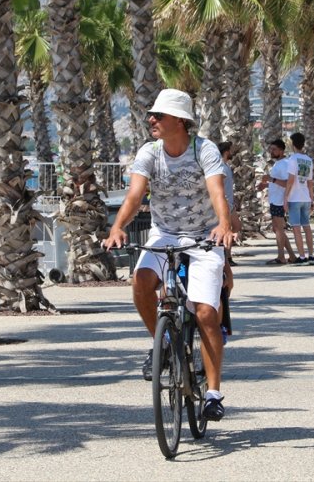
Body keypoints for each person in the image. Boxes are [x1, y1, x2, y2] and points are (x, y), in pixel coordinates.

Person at [103, 88, 234, 422]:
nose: (152, 120)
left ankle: (213, 393)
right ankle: (160, 344)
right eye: (152, 115)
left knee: (205, 312)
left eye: (159, 115)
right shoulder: (150, 152)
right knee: (142, 280)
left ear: (180, 120)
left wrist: (222, 225)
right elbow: (135, 195)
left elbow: (218, 192)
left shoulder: (204, 150)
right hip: (165, 233)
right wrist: (118, 226)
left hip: (205, 235)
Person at [257, 139, 298, 265]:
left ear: (281, 150)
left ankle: (281, 257)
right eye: (270, 149)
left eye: (274, 149)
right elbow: (278, 182)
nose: (271, 152)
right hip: (275, 200)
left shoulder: (285, 163)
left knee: (279, 229)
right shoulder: (278, 163)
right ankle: (291, 256)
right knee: (277, 229)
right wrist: (266, 185)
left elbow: (287, 183)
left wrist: (271, 179)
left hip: (280, 201)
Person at [285, 132, 314, 265]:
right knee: (307, 226)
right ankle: (311, 255)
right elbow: (310, 182)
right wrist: (312, 198)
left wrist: (285, 198)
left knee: (296, 227)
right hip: (305, 197)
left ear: (293, 144)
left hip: (294, 197)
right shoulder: (308, 160)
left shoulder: (292, 159)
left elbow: (291, 180)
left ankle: (302, 256)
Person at [218, 141, 240, 267]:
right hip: (225, 204)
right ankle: (226, 256)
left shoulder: (225, 165)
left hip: (229, 203)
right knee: (230, 228)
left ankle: (227, 255)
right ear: (226, 152)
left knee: (235, 227)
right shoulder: (221, 166)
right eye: (230, 150)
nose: (232, 153)